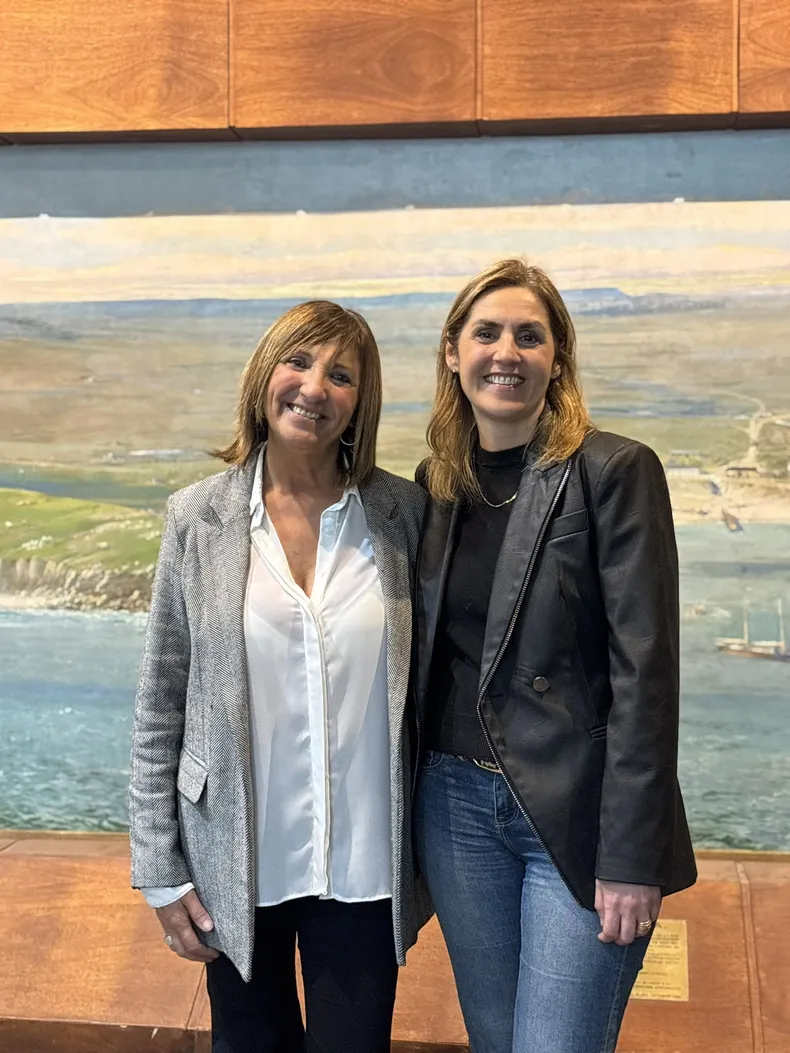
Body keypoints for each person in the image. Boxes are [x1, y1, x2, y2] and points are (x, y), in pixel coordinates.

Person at [129, 300, 431, 1053]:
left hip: (363, 867)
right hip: (236, 860)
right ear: (265, 376)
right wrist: (161, 872)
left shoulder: (404, 514)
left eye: (341, 374)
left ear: (361, 401)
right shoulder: (196, 518)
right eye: (298, 362)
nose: (314, 387)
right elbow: (161, 705)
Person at [413, 258, 697, 1053]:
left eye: (530, 336)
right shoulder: (435, 482)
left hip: (576, 817)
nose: (507, 351)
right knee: (498, 1041)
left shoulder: (614, 469)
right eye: (487, 332)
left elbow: (648, 673)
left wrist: (633, 857)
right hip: (454, 809)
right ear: (451, 351)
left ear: (557, 358)